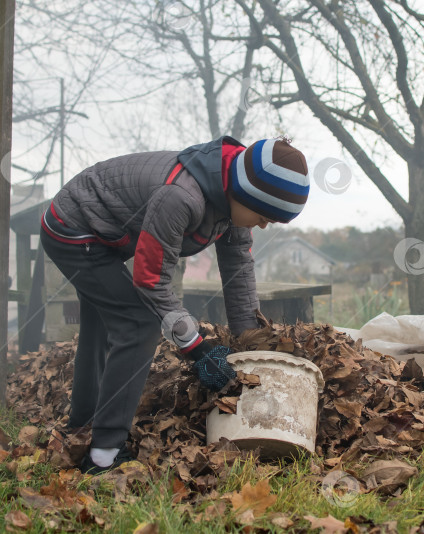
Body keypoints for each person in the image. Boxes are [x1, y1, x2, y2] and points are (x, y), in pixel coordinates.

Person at [40, 135, 309, 474]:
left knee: (104, 323)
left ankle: (80, 427)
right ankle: (103, 455)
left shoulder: (232, 193)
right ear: (243, 194)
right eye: (263, 215)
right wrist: (197, 349)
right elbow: (151, 280)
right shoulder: (181, 196)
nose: (264, 224)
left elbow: (238, 271)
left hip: (107, 234)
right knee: (138, 322)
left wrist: (250, 346)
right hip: (73, 227)